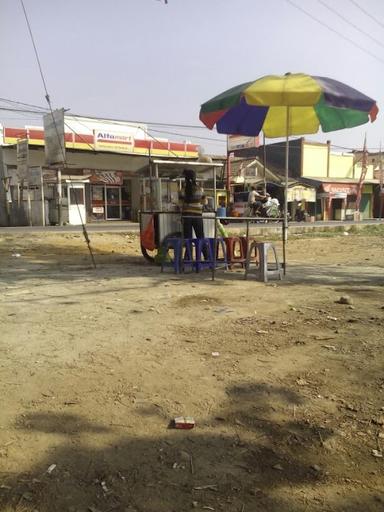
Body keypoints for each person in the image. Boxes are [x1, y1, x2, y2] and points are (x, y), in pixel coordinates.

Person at [180, 169, 205, 239]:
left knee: (188, 238)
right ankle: (204, 249)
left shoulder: (183, 190)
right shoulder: (200, 189)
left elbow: (180, 204)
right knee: (200, 237)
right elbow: (205, 202)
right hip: (198, 216)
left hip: (186, 216)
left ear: (185, 178)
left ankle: (189, 250)